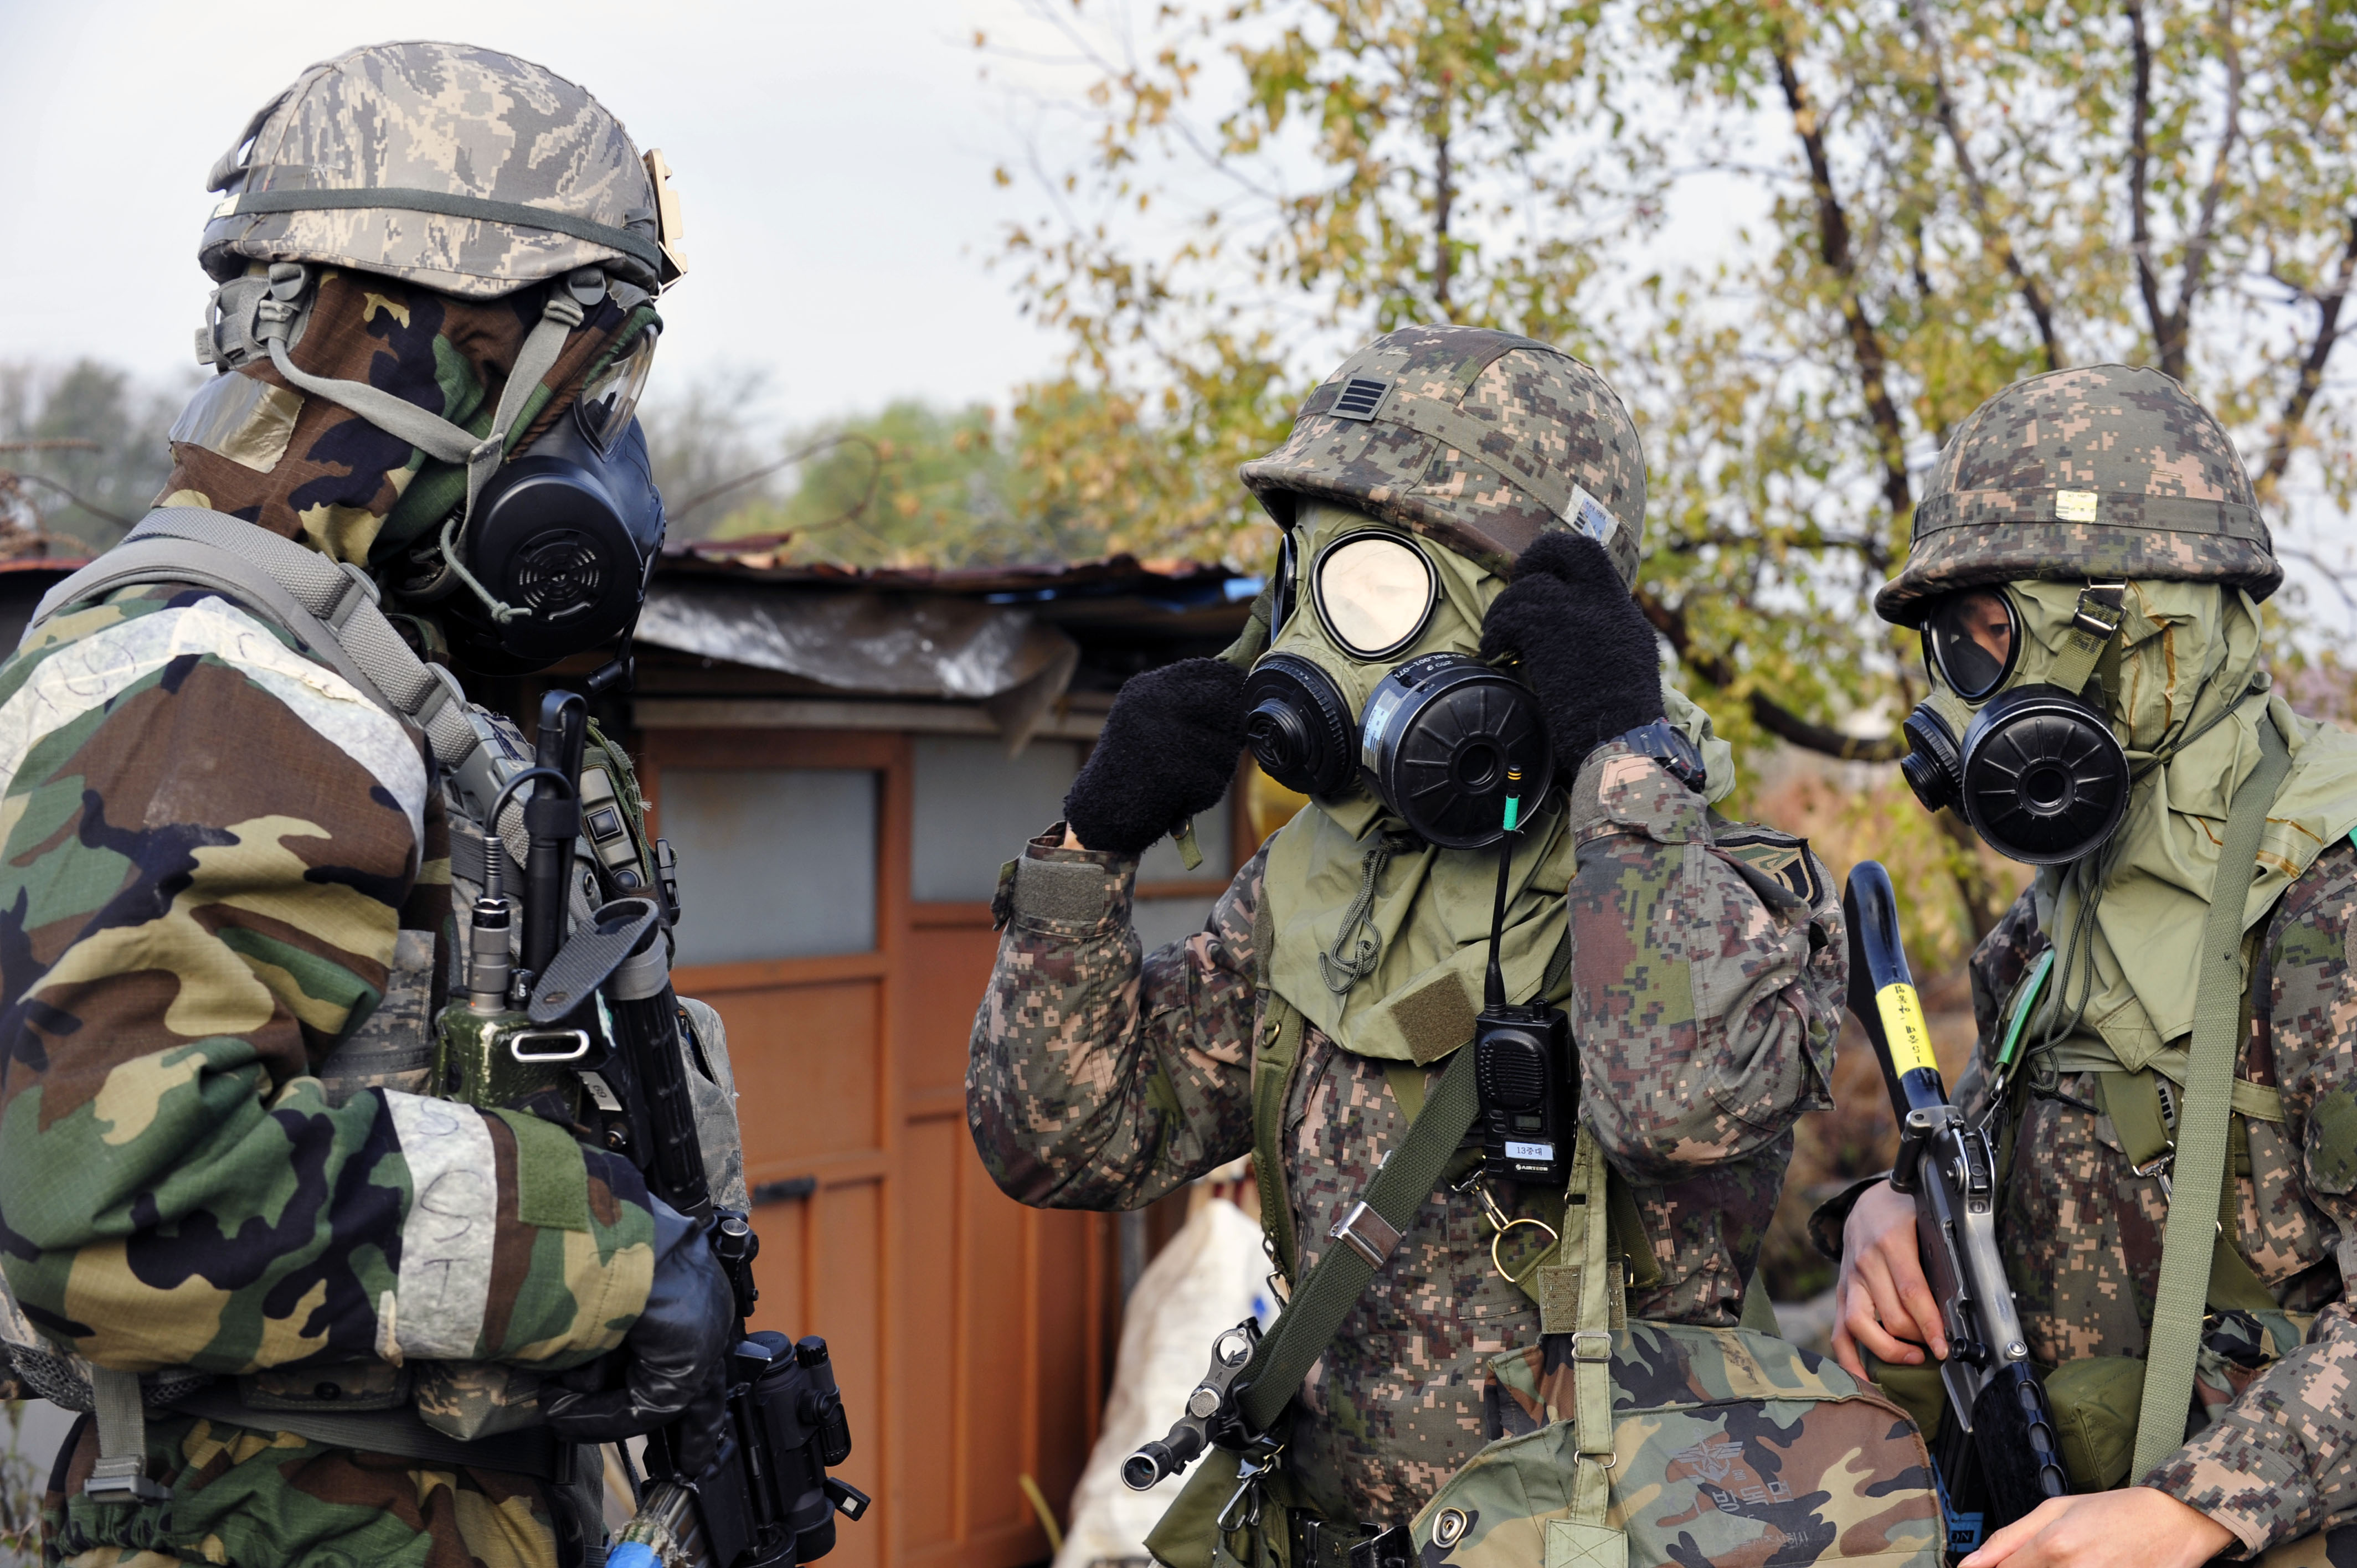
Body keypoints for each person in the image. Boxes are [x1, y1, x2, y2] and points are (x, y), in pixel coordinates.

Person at [0, 43, 740, 1567]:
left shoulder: (343, 667)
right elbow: (108, 1193)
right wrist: (606, 1256)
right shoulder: (218, 674)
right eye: (590, 368)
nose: (603, 429)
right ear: (457, 342)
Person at [967, 324, 1852, 1549]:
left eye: (1380, 590)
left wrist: (1623, 768)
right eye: (1312, 581)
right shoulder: (1314, 887)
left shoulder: (1721, 898)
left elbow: (1673, 1106)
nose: (1325, 644)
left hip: (1603, 1535)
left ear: (1527, 617)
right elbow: (1061, 1143)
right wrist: (1091, 848)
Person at [1820, 364, 2357, 1567]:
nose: (1971, 690)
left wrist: (2188, 1510)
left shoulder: (2327, 889)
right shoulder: (2059, 913)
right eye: (1955, 646)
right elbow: (1967, 1174)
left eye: (1999, 632)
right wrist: (1878, 1216)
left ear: (2144, 620)